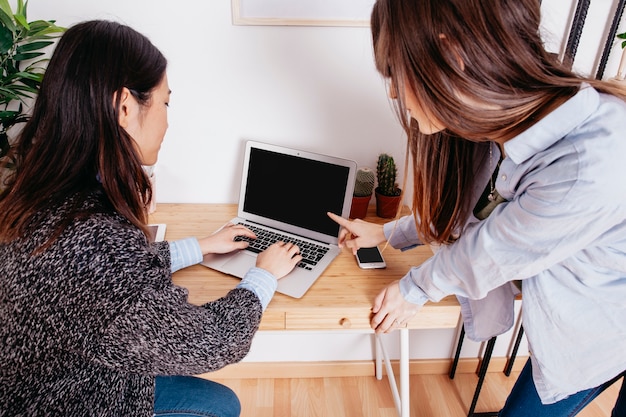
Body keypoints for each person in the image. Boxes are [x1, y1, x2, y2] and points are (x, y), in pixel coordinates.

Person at [328, 0, 626, 415]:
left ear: (452, 56)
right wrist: (386, 232)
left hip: (608, 327)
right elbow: (479, 210)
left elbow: (489, 252)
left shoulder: (585, 166)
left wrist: (411, 290)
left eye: (396, 73)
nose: (395, 92)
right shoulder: (508, 125)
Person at [0, 20, 302, 417]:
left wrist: (198, 247)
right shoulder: (93, 241)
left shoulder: (38, 186)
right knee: (221, 406)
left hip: (42, 378)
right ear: (125, 107)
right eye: (165, 103)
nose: (168, 120)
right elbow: (212, 341)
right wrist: (264, 273)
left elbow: (108, 282)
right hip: (64, 399)